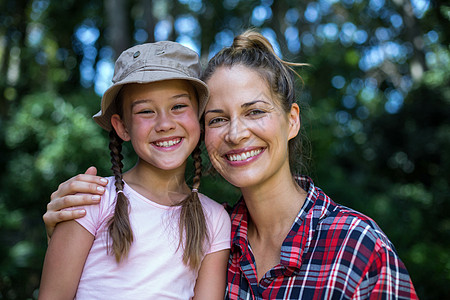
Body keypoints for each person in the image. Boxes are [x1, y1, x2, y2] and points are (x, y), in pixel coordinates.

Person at [42, 30, 418, 299]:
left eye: (255, 111)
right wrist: (66, 235)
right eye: (218, 118)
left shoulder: (356, 247)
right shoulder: (223, 233)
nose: (236, 134)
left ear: (292, 120)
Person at [38, 41, 231, 299]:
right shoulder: (91, 198)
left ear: (199, 116)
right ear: (122, 127)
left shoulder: (215, 219)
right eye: (146, 111)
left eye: (178, 106)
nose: (164, 123)